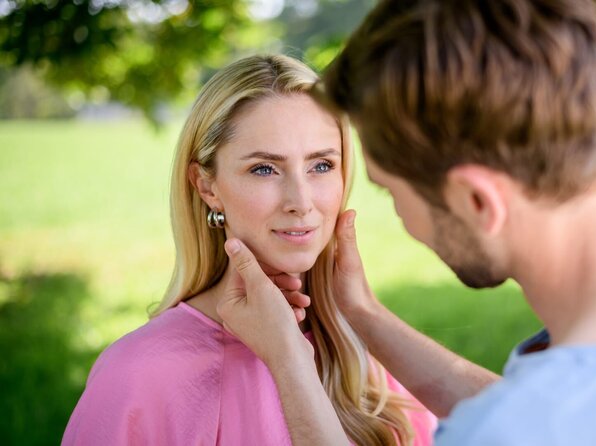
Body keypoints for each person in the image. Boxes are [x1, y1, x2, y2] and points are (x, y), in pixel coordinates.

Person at [217, 1, 596, 445]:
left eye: (393, 192)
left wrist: (289, 361)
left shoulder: (514, 430)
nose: (404, 220)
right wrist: (362, 312)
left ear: (477, 200)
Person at [62, 54, 436, 446]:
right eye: (264, 169)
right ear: (207, 187)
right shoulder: (139, 375)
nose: (301, 202)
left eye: (322, 165)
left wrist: (360, 316)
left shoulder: (364, 354)